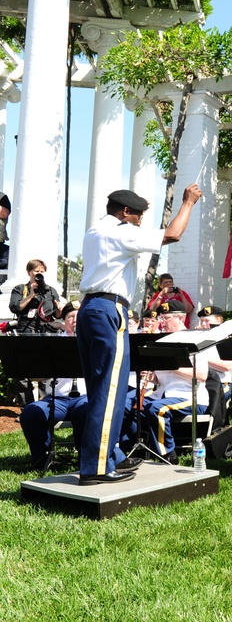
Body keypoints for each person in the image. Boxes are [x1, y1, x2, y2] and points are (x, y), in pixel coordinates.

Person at [76, 184, 201, 484]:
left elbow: (132, 221)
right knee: (110, 391)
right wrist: (187, 203)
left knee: (99, 389)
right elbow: (173, 234)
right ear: (125, 212)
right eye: (138, 216)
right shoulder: (121, 231)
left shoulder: (96, 231)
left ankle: (110, 455)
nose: (141, 222)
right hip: (109, 310)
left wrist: (139, 209)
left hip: (89, 310)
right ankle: (96, 467)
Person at [19, 302, 142, 473]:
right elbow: (34, 376)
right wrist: (51, 368)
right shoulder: (52, 344)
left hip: (85, 397)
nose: (74, 320)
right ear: (63, 321)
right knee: (31, 413)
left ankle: (85, 460)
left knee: (87, 412)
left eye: (78, 316)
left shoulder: (96, 344)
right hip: (56, 398)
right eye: (70, 316)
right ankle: (42, 458)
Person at [143, 300, 210, 462]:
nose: (161, 323)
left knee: (157, 409)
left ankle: (168, 455)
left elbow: (202, 375)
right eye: (161, 318)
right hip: (164, 394)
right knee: (128, 407)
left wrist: (172, 366)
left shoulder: (194, 340)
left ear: (180, 318)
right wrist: (149, 376)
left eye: (165, 318)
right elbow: (160, 378)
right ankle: (132, 451)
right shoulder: (162, 340)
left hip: (190, 397)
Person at [10, 259, 63, 333]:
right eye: (36, 271)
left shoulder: (51, 290)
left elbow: (57, 315)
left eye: (42, 272)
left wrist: (59, 309)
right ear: (29, 272)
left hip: (47, 330)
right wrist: (30, 295)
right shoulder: (20, 288)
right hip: (26, 330)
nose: (39, 274)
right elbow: (14, 308)